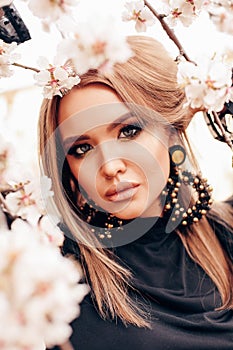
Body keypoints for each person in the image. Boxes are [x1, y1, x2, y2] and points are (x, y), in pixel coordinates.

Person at [39, 35, 233, 350]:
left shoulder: (227, 233)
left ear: (171, 131)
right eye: (82, 148)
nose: (110, 165)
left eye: (129, 131)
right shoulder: (54, 275)